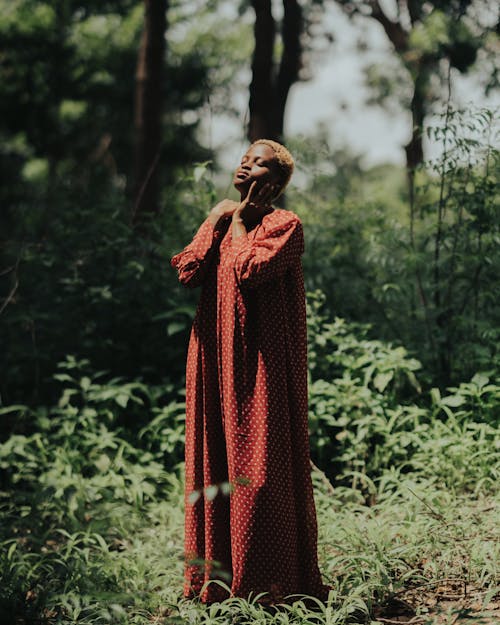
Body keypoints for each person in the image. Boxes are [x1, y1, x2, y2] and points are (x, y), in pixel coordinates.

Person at [171, 139, 329, 604]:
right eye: (245, 156)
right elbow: (187, 270)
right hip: (214, 359)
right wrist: (218, 218)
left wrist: (238, 222)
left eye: (258, 162)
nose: (245, 162)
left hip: (260, 367)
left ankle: (268, 588)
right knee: (214, 463)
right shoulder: (223, 218)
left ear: (276, 183)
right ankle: (214, 585)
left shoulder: (285, 225)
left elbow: (248, 271)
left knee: (260, 472)